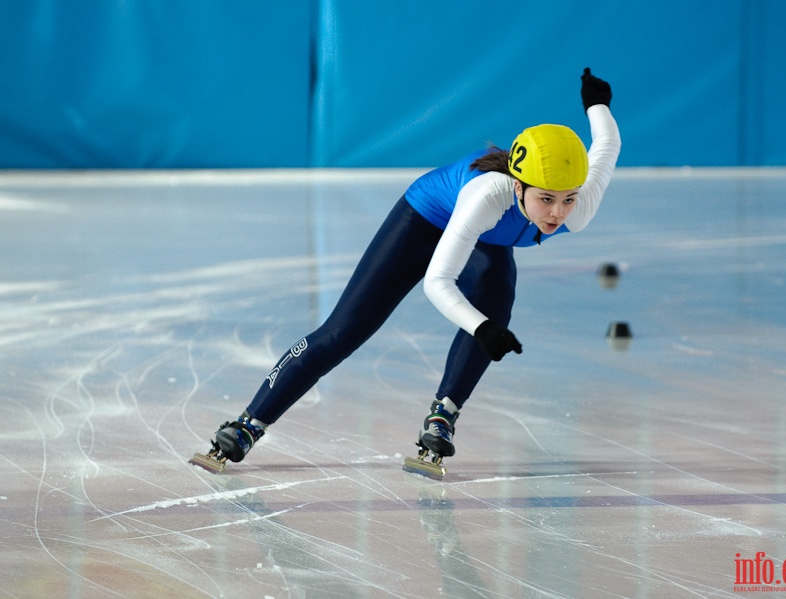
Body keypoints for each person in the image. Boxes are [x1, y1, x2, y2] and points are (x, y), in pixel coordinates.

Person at [199, 67, 621, 469]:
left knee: (496, 292)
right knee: (344, 330)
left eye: (568, 198)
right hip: (425, 218)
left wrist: (596, 103)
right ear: (517, 185)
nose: (558, 213)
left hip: (487, 237)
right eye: (546, 198)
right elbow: (438, 282)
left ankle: (444, 414)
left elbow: (606, 145)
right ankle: (248, 423)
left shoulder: (581, 206)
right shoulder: (487, 197)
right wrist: (482, 328)